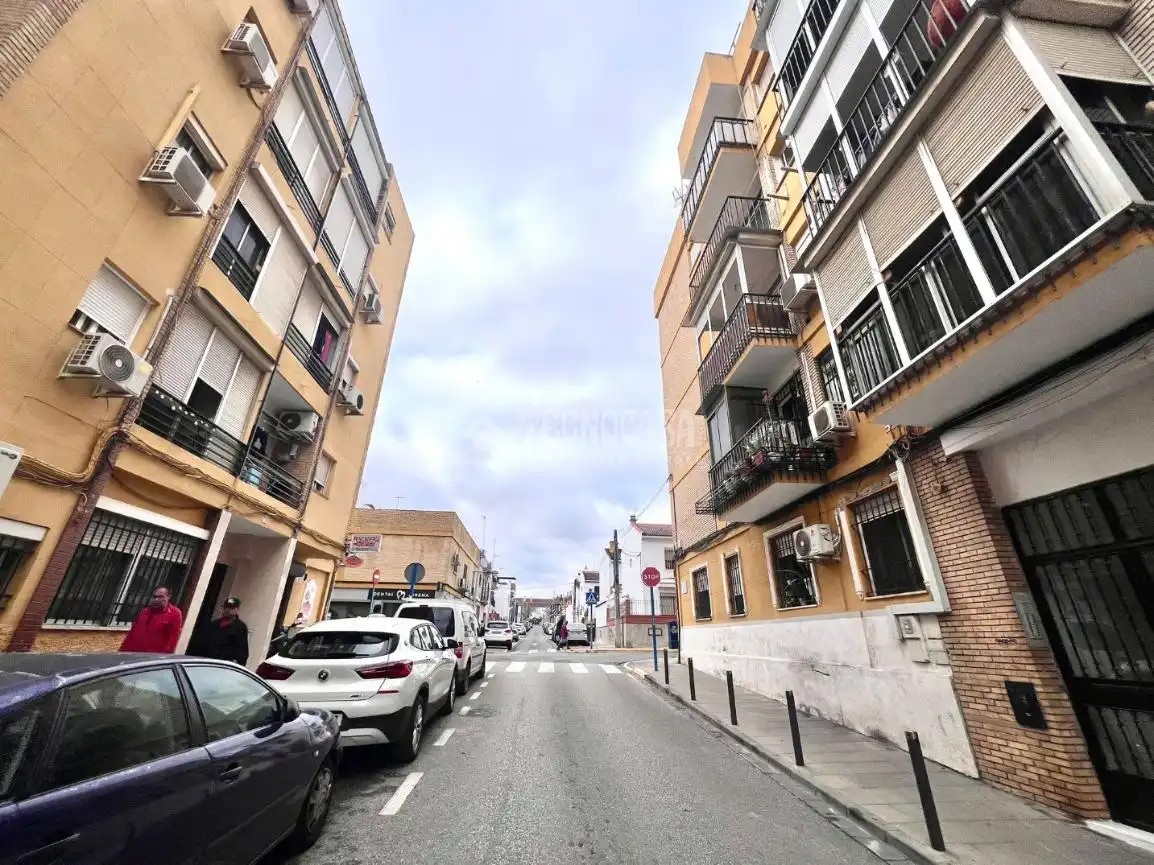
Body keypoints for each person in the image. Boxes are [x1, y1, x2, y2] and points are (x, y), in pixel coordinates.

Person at [120, 586, 183, 654]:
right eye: (154, 597)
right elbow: (132, 633)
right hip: (132, 653)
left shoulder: (174, 614)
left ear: (168, 597)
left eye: (160, 597)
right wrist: (122, 651)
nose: (156, 599)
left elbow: (172, 640)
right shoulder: (144, 612)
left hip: (151, 657)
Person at [188, 597, 250, 666]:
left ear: (237, 610)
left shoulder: (240, 627)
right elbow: (203, 643)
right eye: (225, 607)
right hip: (207, 663)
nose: (227, 610)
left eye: (230, 608)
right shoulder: (214, 624)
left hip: (223, 667)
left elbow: (242, 652)